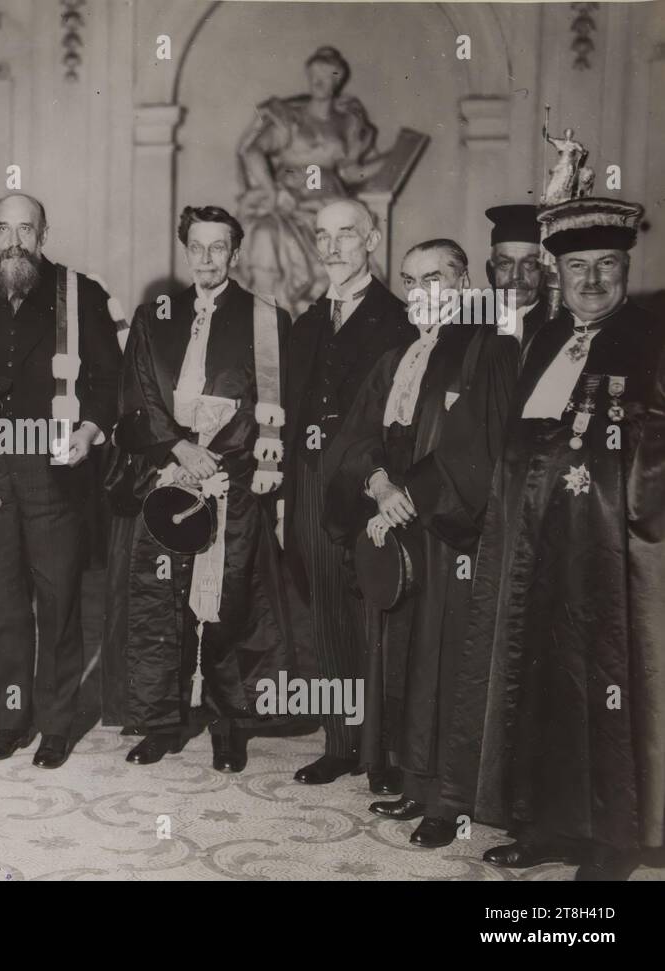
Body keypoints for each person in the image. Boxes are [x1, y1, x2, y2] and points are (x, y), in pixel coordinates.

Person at [438, 198, 664, 880]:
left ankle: (612, 842)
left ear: (626, 267)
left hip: (617, 551)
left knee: (610, 691)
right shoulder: (542, 340)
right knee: (536, 681)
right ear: (556, 274)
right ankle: (544, 825)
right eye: (576, 267)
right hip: (534, 547)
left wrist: (631, 502)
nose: (591, 281)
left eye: (606, 266)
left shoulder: (653, 336)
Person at [323, 239, 517, 848]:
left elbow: (478, 447)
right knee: (405, 653)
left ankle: (451, 800)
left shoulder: (490, 349)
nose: (420, 292)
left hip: (451, 536)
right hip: (402, 529)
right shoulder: (399, 355)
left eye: (434, 278)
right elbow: (356, 439)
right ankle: (413, 779)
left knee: (450, 661)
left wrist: (411, 499)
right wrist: (378, 485)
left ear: (462, 284)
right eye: (410, 280)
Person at [0, 192, 121, 769]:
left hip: (54, 465)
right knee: (2, 602)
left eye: (25, 229)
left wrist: (90, 431)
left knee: (57, 600)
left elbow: (108, 382)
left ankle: (57, 726)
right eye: (3, 229)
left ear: (43, 233)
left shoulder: (79, 295)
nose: (14, 240)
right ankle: (12, 719)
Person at [114, 205, 293, 772]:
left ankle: (227, 722)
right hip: (167, 475)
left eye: (219, 247)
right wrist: (176, 448)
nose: (208, 257)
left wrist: (218, 458)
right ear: (185, 249)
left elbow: (274, 406)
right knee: (159, 603)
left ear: (235, 252)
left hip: (230, 480)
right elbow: (136, 397)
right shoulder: (153, 317)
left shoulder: (265, 318)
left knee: (226, 603)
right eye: (198, 246)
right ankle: (159, 721)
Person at [283, 199, 415, 789]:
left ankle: (383, 754)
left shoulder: (401, 318)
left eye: (346, 235)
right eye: (323, 236)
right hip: (312, 480)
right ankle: (340, 742)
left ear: (373, 239)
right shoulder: (308, 320)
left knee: (376, 613)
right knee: (328, 612)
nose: (333, 247)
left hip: (373, 483)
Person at [237, 46, 384, 313]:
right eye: (313, 73)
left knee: (338, 246)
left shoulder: (347, 123)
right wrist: (272, 192)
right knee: (264, 233)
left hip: (328, 202)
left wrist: (391, 161)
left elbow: (351, 173)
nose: (318, 80)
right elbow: (253, 151)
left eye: (327, 75)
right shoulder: (289, 118)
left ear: (337, 80)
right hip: (288, 199)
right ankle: (267, 322)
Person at [483, 204, 544, 356]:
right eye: (505, 264)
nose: (516, 276)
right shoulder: (469, 321)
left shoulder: (559, 326)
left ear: (544, 271)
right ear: (490, 270)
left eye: (529, 264)